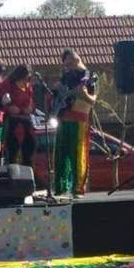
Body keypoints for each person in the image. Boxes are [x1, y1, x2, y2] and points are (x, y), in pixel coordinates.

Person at [53, 48, 98, 198]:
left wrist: (84, 94)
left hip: (79, 120)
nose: (68, 66)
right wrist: (58, 90)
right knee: (60, 155)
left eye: (70, 62)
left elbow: (92, 100)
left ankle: (78, 189)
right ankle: (60, 188)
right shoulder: (66, 76)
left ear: (77, 57)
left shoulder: (89, 76)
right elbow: (60, 96)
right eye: (66, 64)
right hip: (63, 118)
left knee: (78, 155)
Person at [0, 64, 37, 166]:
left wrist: (30, 107)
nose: (26, 81)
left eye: (28, 78)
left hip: (26, 121)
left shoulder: (28, 86)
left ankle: (27, 172)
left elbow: (31, 101)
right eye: (24, 78)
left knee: (30, 146)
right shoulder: (8, 84)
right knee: (12, 148)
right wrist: (9, 107)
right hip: (11, 121)